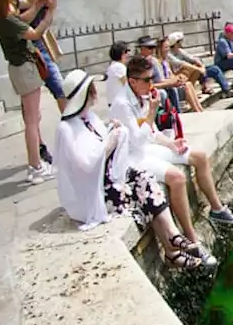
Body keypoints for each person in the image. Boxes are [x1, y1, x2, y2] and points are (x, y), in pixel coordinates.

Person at [53, 69, 211, 268]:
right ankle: (172, 248)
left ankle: (172, 238)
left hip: (108, 178)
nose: (96, 93)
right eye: (92, 89)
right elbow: (85, 164)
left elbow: (103, 146)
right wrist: (110, 141)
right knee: (140, 189)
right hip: (93, 192)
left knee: (144, 178)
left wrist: (111, 131)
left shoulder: (90, 118)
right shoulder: (66, 128)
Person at [113, 55, 233, 229]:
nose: (151, 84)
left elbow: (153, 133)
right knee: (177, 178)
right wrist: (152, 113)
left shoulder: (141, 94)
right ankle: (191, 238)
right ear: (132, 81)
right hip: (132, 157)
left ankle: (217, 209)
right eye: (147, 80)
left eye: (152, 78)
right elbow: (137, 141)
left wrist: (171, 144)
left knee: (199, 157)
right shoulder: (122, 104)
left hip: (147, 148)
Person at [0, 0, 57, 184]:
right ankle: (36, 167)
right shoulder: (5, 17)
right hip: (24, 67)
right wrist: (49, 14)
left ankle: (36, 165)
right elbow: (33, 32)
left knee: (34, 117)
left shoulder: (8, 6)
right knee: (31, 120)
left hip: (22, 67)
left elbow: (28, 5)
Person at [167, 32, 233, 99]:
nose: (182, 43)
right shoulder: (169, 54)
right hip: (179, 75)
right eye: (180, 41)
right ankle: (202, 88)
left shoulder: (180, 51)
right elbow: (181, 63)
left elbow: (193, 58)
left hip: (193, 72)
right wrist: (199, 69)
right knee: (193, 68)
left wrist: (202, 67)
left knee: (214, 69)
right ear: (176, 43)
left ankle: (227, 90)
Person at [103, 40, 129, 107]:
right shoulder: (119, 67)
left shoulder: (114, 65)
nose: (128, 54)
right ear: (121, 53)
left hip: (115, 103)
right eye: (126, 52)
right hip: (119, 104)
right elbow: (128, 85)